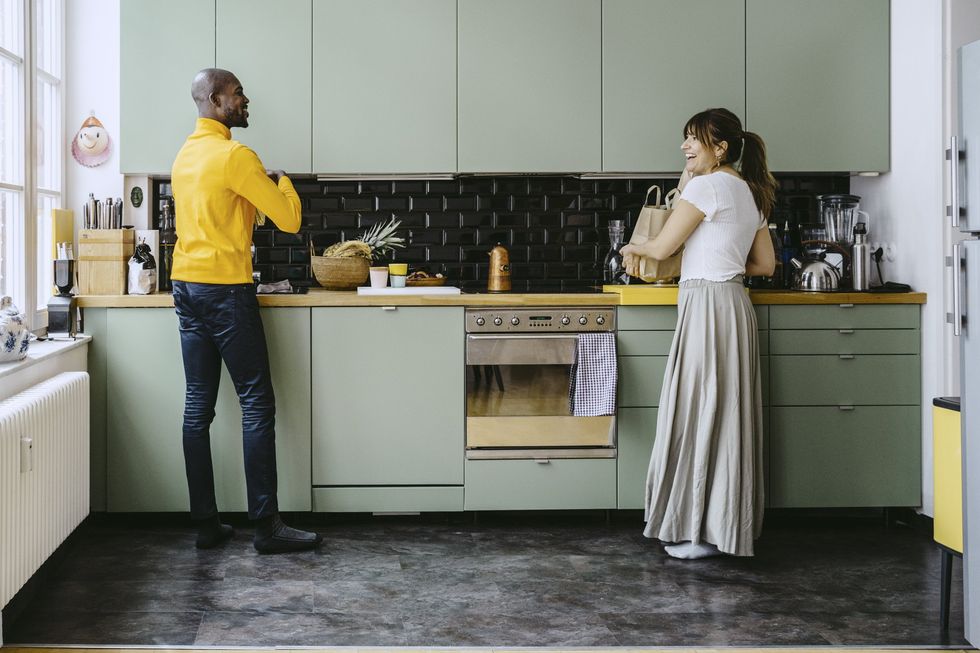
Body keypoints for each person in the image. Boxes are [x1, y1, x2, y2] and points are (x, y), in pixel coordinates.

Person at [170, 68, 322, 554]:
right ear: (216, 101)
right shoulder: (235, 155)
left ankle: (206, 524)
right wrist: (285, 183)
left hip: (185, 287)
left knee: (198, 407)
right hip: (224, 290)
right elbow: (291, 220)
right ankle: (266, 527)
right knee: (256, 402)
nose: (245, 100)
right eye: (237, 94)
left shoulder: (185, 155)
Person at [619, 108, 776, 559]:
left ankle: (694, 532)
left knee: (697, 410)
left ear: (720, 147)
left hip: (705, 304)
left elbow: (664, 246)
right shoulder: (749, 191)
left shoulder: (707, 186)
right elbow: (764, 266)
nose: (685, 147)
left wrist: (634, 246)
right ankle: (722, 527)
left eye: (694, 140)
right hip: (734, 304)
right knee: (726, 414)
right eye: (685, 139)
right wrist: (722, 258)